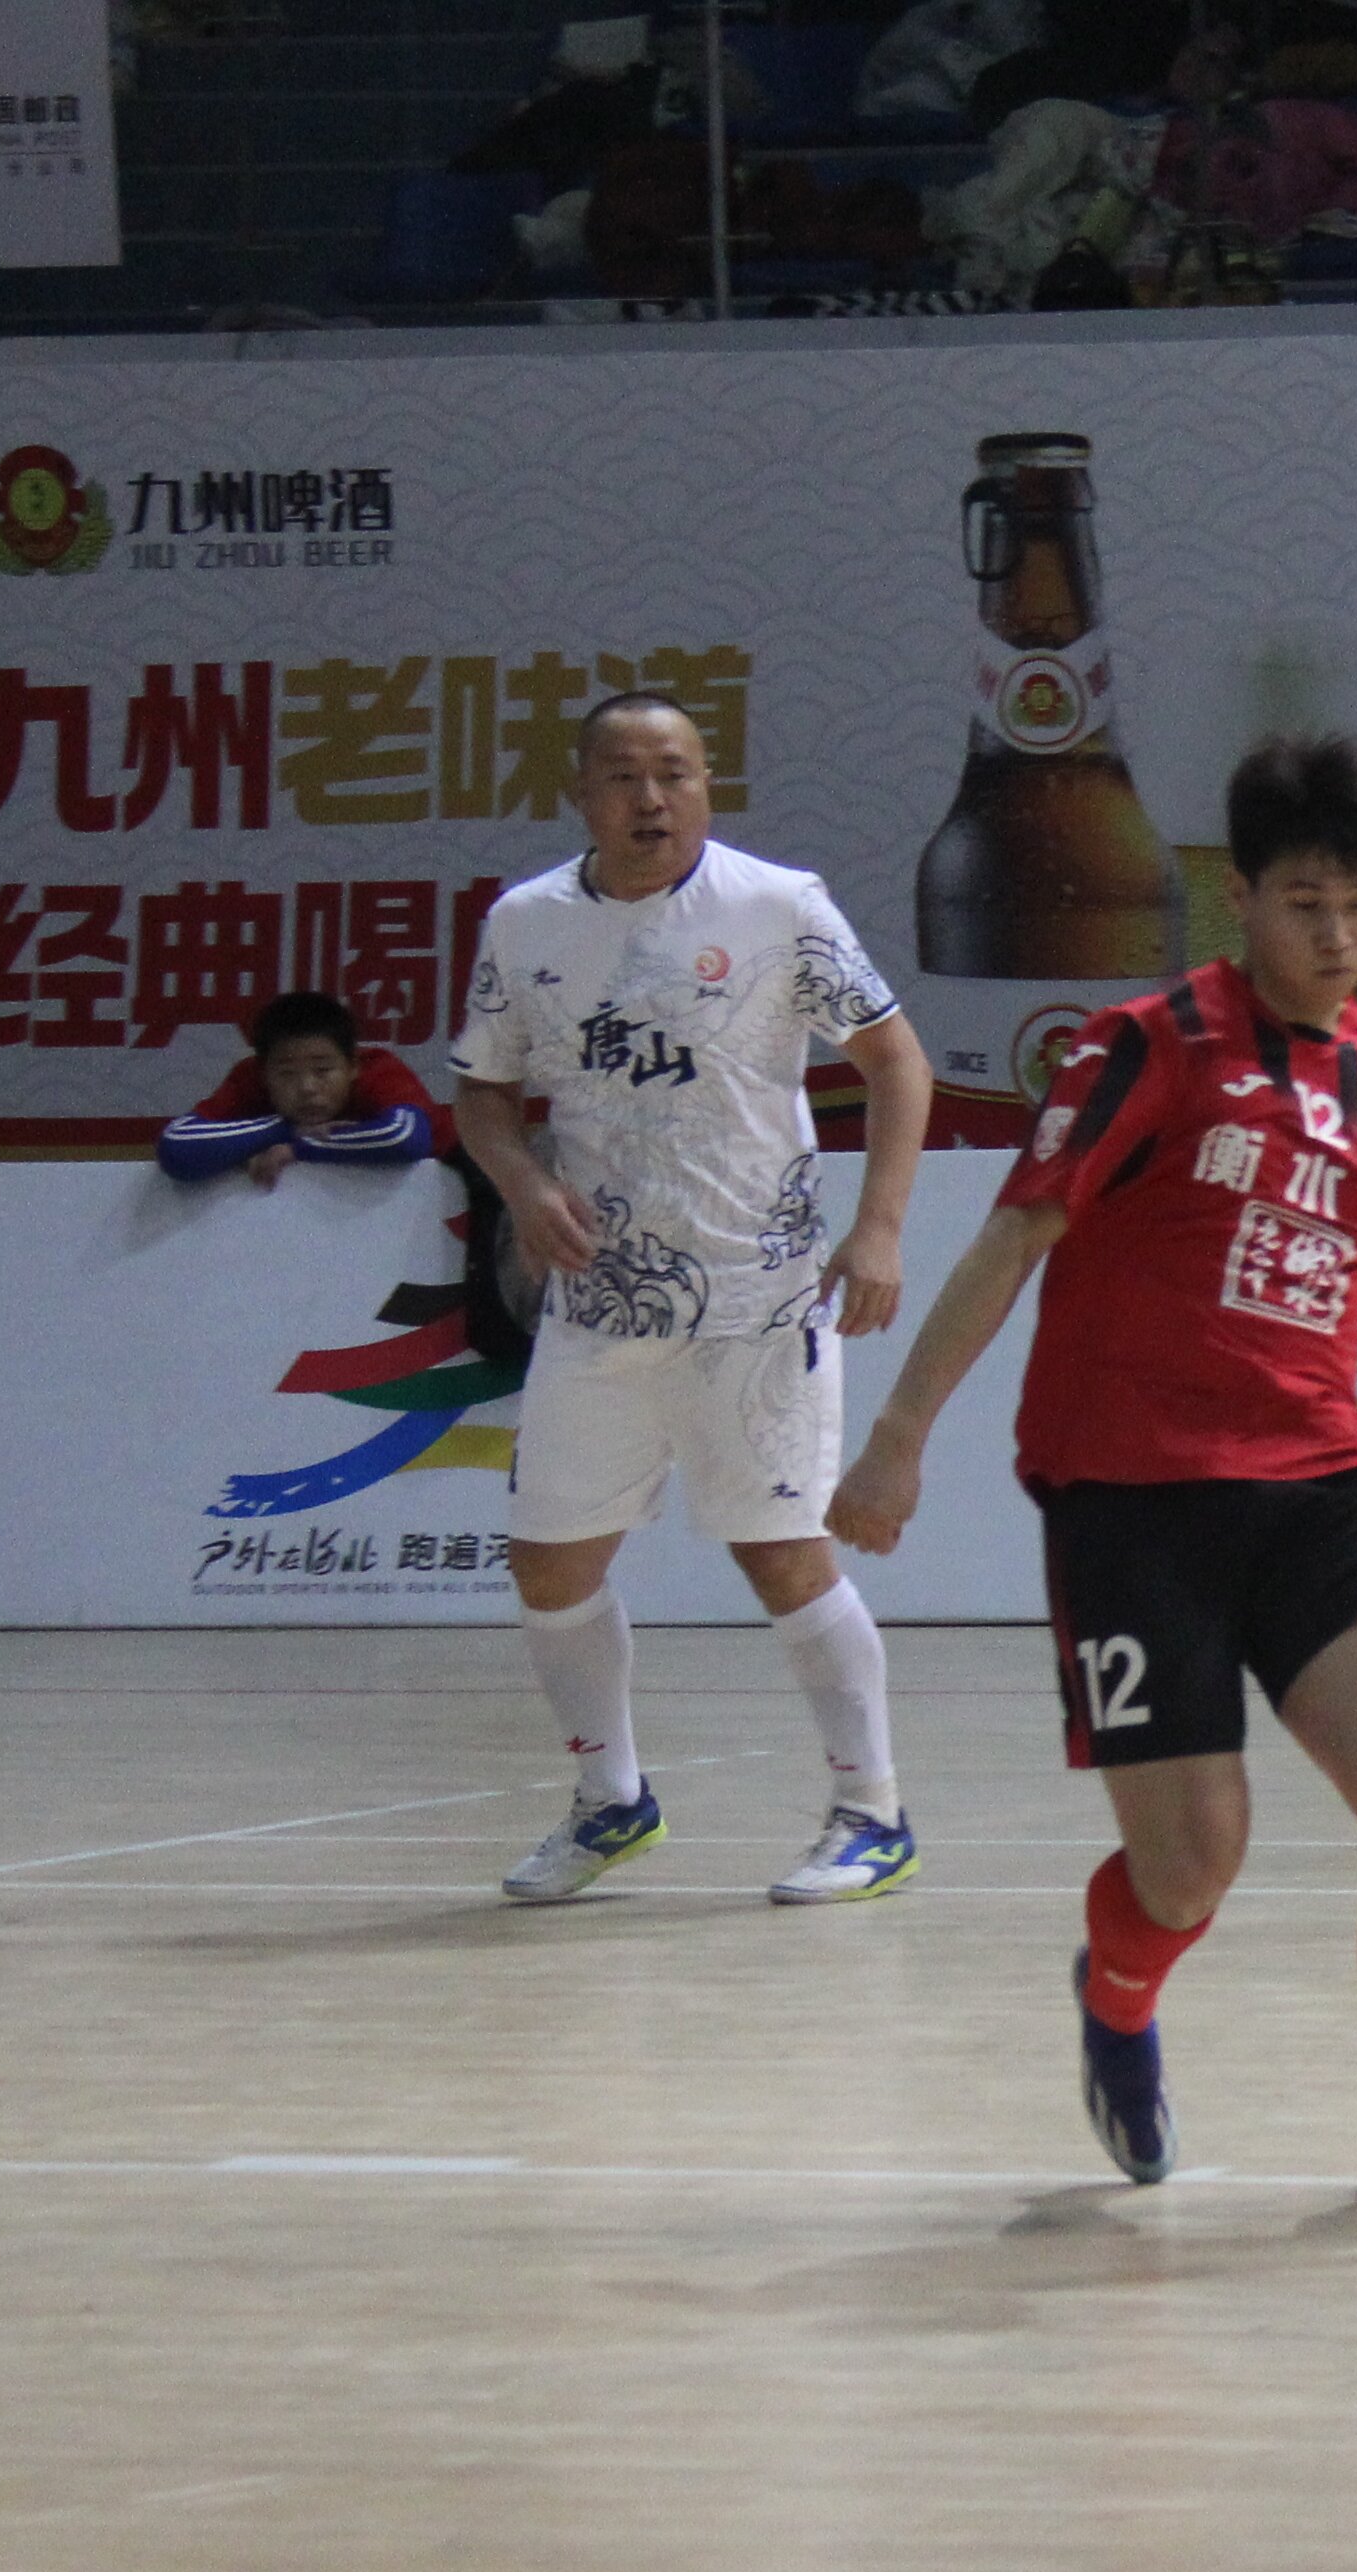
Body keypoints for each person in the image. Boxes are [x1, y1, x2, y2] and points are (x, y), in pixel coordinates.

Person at [827, 733, 1357, 2200]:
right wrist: (896, 1438)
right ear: (1242, 900)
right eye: (1305, 903)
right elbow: (1016, 1233)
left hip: (1321, 1485)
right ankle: (1116, 1994)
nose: (1336, 935)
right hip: (1131, 1499)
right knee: (1187, 1870)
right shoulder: (1148, 1044)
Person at [451, 690, 937, 1908]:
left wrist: (878, 1225)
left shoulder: (779, 906)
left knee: (784, 1557)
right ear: (582, 794)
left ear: (708, 785)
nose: (651, 798)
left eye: (674, 772)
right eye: (623, 776)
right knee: (547, 1564)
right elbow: (483, 1093)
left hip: (756, 1303)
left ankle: (872, 1812)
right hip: (598, 1306)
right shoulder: (525, 924)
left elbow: (896, 1062)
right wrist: (522, 1183)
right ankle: (609, 1799)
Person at [158, 992, 446, 1187]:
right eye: (286, 1074)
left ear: (353, 1066)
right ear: (264, 1073)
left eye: (323, 1071)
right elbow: (177, 1147)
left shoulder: (377, 1069)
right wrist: (287, 1130)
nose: (307, 1088)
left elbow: (406, 1139)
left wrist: (298, 1149)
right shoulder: (249, 1078)